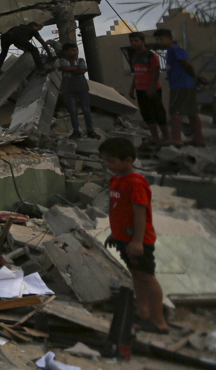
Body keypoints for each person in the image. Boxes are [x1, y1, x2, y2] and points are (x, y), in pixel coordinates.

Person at [99, 137, 168, 334]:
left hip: (138, 241)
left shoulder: (136, 183)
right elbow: (121, 211)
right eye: (105, 160)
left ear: (128, 160)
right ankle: (143, 311)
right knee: (137, 276)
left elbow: (140, 213)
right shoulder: (118, 179)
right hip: (125, 239)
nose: (108, 165)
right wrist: (116, 234)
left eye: (112, 161)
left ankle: (158, 320)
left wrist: (137, 241)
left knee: (147, 277)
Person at [155, 28, 206, 147]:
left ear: (170, 39)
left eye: (161, 39)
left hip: (181, 86)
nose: (159, 42)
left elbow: (187, 64)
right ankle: (199, 139)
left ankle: (177, 139)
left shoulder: (175, 49)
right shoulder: (170, 52)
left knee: (175, 111)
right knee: (192, 112)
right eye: (157, 40)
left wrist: (196, 78)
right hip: (185, 85)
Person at [127, 33, 167, 145]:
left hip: (152, 89)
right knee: (147, 115)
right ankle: (156, 139)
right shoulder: (135, 56)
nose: (133, 43)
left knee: (159, 114)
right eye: (131, 41)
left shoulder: (151, 55)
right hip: (140, 90)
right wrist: (132, 88)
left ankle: (167, 138)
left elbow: (156, 71)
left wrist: (152, 87)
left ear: (143, 41)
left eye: (136, 40)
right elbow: (136, 73)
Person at [57, 43, 97, 139]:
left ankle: (90, 130)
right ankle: (76, 131)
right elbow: (64, 68)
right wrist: (76, 68)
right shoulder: (63, 60)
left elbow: (82, 70)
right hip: (69, 89)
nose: (74, 52)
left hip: (82, 88)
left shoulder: (80, 60)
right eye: (72, 50)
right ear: (66, 51)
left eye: (75, 50)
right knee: (73, 111)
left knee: (86, 110)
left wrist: (70, 69)